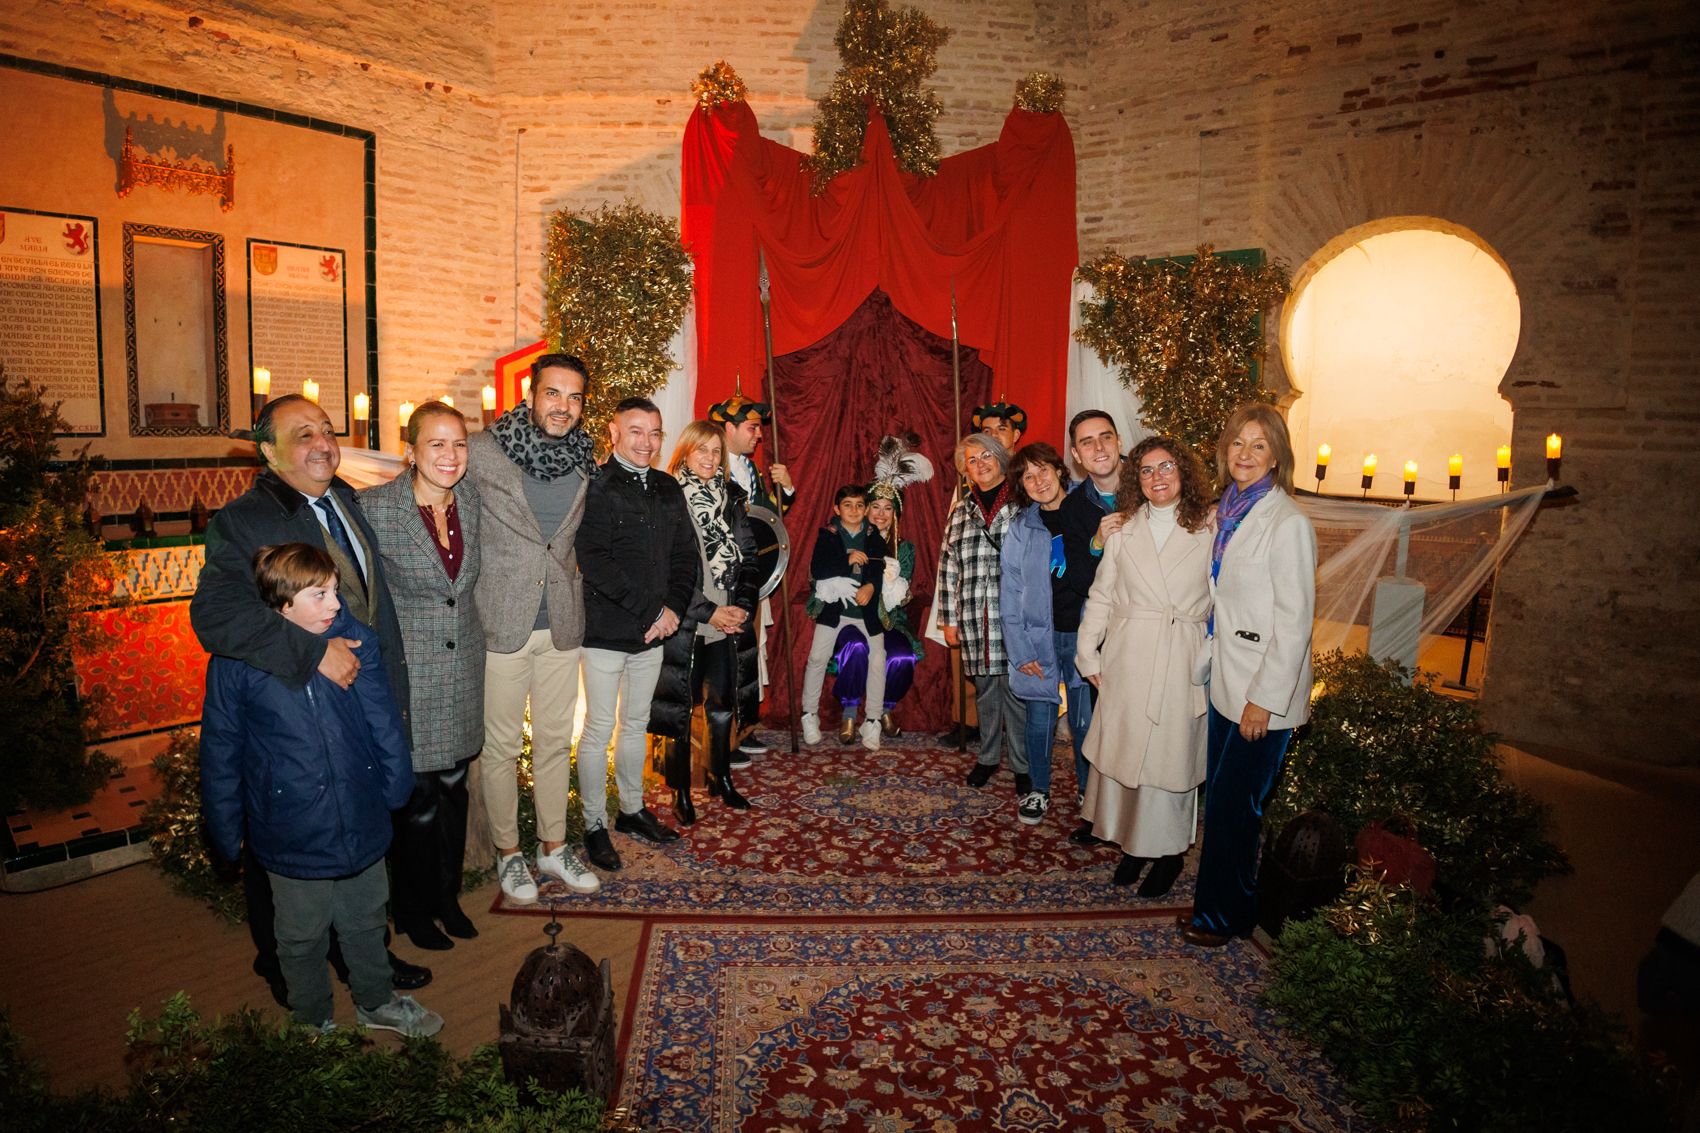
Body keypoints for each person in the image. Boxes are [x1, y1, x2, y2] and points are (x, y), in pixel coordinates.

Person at [189, 394, 432, 1003]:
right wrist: (312, 652)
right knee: (283, 851)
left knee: (358, 856)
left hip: (357, 704)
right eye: (303, 435)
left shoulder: (346, 498)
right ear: (268, 451)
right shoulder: (244, 520)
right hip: (290, 716)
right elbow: (215, 616)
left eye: (327, 430)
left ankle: (362, 958)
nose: (323, 443)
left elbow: (368, 600)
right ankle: (281, 963)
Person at [200, 543, 441, 1037]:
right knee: (301, 934)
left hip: (359, 812)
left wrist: (394, 787)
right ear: (281, 604)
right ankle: (313, 1020)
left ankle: (376, 1000)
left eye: (334, 590)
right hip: (292, 827)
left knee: (367, 918)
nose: (336, 604)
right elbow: (221, 751)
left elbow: (382, 720)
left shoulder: (356, 642)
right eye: (320, 594)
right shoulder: (237, 664)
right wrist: (226, 829)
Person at [466, 354, 602, 904]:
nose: (562, 407)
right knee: (498, 749)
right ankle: (508, 855)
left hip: (562, 625)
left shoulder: (586, 457)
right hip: (501, 621)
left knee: (552, 743)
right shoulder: (480, 452)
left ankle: (552, 845)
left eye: (573, 398)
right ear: (530, 394)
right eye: (553, 394)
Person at [1180, 404, 1317, 947]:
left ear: (1278, 455)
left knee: (1236, 808)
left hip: (1263, 696)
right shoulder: (1227, 513)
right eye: (1238, 442)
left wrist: (1263, 699)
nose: (1245, 454)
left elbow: (1296, 621)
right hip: (1226, 683)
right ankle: (1227, 907)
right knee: (1224, 804)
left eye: (1258, 445)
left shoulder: (1288, 523)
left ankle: (1220, 917)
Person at [358, 401, 484, 949]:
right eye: (436, 444)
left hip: (463, 671)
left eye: (458, 443)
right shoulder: (375, 508)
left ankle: (446, 897)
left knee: (455, 789)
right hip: (410, 674)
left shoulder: (472, 501)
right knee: (417, 798)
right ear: (410, 451)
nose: (450, 456)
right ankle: (410, 911)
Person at [1075, 436, 1214, 898]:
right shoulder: (1122, 531)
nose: (1158, 477)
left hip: (1179, 655)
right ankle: (1134, 845)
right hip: (1129, 654)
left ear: (1184, 473)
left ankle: (1169, 853)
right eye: (1148, 470)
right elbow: (1102, 595)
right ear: (1137, 479)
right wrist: (1087, 652)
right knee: (1127, 752)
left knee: (1169, 758)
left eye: (1167, 467)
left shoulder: (1210, 530)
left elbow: (1224, 600)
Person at [575, 397, 699, 871]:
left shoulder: (669, 488)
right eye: (636, 431)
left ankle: (630, 810)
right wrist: (654, 610)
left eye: (654, 433)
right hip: (607, 631)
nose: (646, 442)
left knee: (636, 725)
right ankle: (592, 823)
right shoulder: (598, 487)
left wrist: (673, 610)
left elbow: (686, 555)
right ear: (614, 432)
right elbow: (595, 560)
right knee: (599, 729)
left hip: (654, 632)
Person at [650, 420, 761, 823]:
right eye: (703, 451)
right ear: (685, 452)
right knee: (682, 708)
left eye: (717, 452)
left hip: (728, 619)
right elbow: (663, 569)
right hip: (686, 621)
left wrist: (743, 606)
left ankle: (722, 778)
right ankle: (680, 790)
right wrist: (709, 611)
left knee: (722, 704)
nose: (711, 459)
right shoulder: (667, 496)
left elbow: (749, 557)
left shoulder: (731, 495)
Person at [999, 442, 1084, 826]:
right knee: (1038, 718)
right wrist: (1020, 651)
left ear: (1059, 469)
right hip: (1038, 639)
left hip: (1084, 635)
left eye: (1043, 470)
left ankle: (1089, 788)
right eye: (1028, 477)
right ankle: (1038, 789)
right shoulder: (1021, 527)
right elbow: (1010, 592)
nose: (1038, 481)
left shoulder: (1087, 512)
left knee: (1086, 720)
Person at [937, 433, 1027, 791]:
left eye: (986, 455)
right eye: (971, 460)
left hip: (1016, 615)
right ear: (965, 469)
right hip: (975, 615)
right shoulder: (961, 509)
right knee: (987, 691)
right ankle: (988, 758)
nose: (980, 464)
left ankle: (1022, 764)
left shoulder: (1023, 501)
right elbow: (948, 564)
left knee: (1018, 694)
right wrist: (949, 618)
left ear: (1002, 458)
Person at [711, 391, 795, 766]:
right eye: (752, 428)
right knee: (726, 658)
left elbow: (768, 522)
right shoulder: (714, 465)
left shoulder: (750, 469)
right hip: (725, 581)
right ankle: (722, 739)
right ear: (728, 428)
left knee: (748, 655)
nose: (759, 435)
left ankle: (743, 729)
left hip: (753, 578)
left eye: (760, 429)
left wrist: (785, 489)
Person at [831, 434, 934, 737]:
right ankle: (850, 713)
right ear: (864, 510)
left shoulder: (905, 549)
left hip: (889, 622)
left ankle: (885, 709)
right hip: (852, 618)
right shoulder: (844, 540)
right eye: (874, 506)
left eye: (887, 508)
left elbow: (897, 598)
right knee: (857, 646)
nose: (880, 514)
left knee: (902, 656)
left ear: (895, 514)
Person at [1060, 409, 1125, 843]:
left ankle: (1133, 812)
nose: (1099, 447)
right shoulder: (1074, 506)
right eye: (1087, 442)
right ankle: (1093, 809)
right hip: (1097, 626)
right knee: (1087, 723)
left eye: (1106, 437)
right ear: (1077, 456)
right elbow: (1077, 578)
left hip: (1146, 626)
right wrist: (1098, 544)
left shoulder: (1151, 486)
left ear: (1120, 442)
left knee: (1135, 722)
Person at [800, 485, 888, 749]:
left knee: (878, 658)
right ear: (837, 509)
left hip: (865, 611)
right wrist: (847, 558)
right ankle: (809, 713)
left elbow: (878, 568)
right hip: (834, 611)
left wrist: (871, 586)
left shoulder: (873, 536)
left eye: (860, 505)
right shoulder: (828, 534)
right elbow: (819, 569)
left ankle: (872, 720)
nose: (854, 510)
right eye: (847, 505)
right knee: (817, 657)